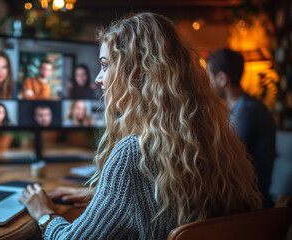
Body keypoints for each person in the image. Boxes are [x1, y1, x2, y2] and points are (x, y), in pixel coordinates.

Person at [18, 13, 262, 239]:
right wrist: (105, 198)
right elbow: (175, 204)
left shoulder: (134, 152)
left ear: (137, 73)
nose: (98, 78)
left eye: (105, 65)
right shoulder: (212, 138)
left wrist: (43, 213)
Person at [206, 48, 276, 208]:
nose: (207, 83)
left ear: (223, 78)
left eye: (209, 75)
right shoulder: (243, 107)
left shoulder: (247, 111)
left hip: (251, 203)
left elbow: (226, 160)